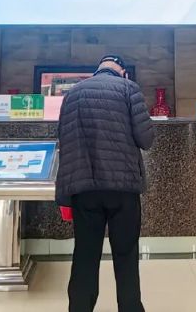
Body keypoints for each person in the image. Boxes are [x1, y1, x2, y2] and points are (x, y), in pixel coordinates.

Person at [56, 55, 154, 312]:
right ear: (122, 71)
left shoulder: (72, 94)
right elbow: (146, 139)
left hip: (84, 188)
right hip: (123, 188)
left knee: (85, 255)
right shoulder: (128, 88)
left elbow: (64, 139)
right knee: (126, 254)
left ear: (98, 69)